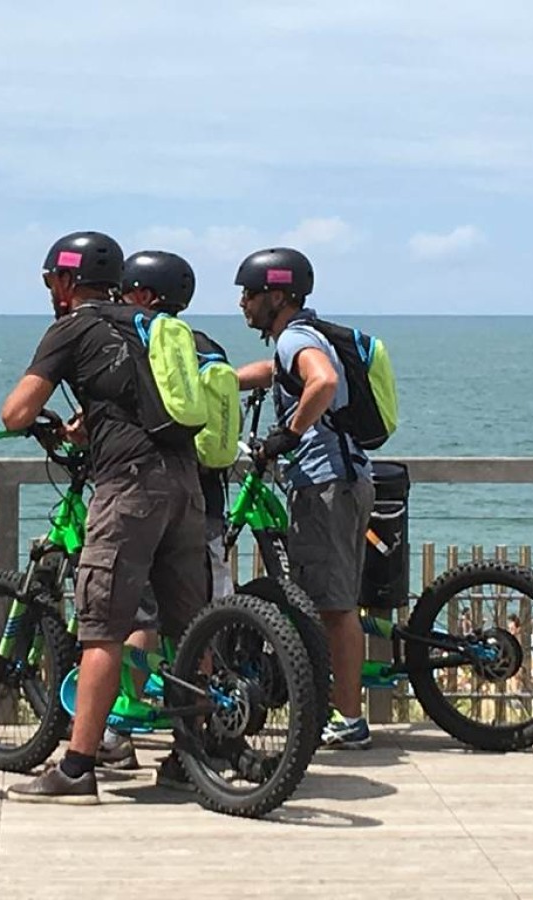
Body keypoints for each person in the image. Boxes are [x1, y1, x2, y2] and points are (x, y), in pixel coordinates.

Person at [0, 231, 207, 804]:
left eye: (50, 282)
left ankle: (77, 767)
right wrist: (85, 423)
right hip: (186, 484)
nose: (50, 292)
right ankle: (197, 753)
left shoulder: (71, 327)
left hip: (129, 489)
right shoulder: (143, 323)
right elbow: (132, 395)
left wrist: (40, 418)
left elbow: (16, 412)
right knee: (190, 626)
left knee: (102, 628)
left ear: (66, 281)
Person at [96, 249, 234, 776]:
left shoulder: (144, 345)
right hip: (208, 502)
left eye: (126, 292)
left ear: (145, 297)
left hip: (153, 497)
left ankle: (116, 734)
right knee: (196, 626)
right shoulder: (207, 347)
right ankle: (191, 746)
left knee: (137, 617)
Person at [235, 247, 375, 750]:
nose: (243, 304)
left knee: (332, 605)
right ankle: (341, 709)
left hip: (326, 483)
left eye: (249, 294)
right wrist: (224, 379)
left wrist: (288, 434)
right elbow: (280, 372)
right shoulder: (297, 338)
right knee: (326, 598)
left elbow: (322, 381)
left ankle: (350, 719)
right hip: (337, 478)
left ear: (277, 295)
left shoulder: (297, 338)